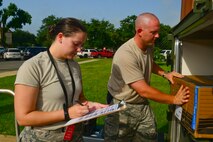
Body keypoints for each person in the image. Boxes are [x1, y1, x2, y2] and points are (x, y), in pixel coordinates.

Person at [14, 17, 108, 142]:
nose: (80, 49)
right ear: (60, 37)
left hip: (74, 134)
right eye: (76, 43)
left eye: (82, 45)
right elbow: (23, 118)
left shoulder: (74, 66)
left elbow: (79, 99)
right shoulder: (33, 66)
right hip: (42, 137)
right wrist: (66, 113)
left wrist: (91, 106)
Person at [104, 12, 190, 142]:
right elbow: (143, 90)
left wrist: (165, 74)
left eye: (158, 31)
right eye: (153, 32)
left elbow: (149, 62)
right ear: (139, 31)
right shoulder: (126, 54)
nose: (158, 35)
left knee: (149, 136)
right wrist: (174, 99)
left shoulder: (149, 44)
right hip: (122, 106)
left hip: (141, 103)